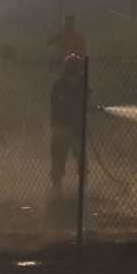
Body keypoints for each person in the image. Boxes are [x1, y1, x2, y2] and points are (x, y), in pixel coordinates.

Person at [50, 54, 86, 196]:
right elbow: (56, 106)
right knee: (59, 159)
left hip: (74, 128)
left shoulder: (80, 83)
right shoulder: (60, 85)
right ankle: (57, 188)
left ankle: (82, 188)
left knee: (81, 159)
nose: (80, 70)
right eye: (77, 67)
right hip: (63, 128)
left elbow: (86, 96)